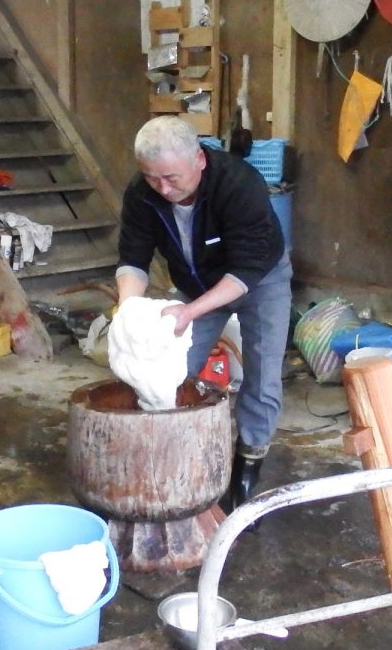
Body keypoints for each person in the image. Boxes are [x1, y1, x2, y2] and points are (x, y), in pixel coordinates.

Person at [115, 115, 291, 509]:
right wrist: (128, 310)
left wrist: (190, 311)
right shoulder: (141, 194)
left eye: (171, 178)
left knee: (262, 377)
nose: (163, 189)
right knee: (171, 368)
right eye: (152, 178)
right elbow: (133, 258)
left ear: (199, 159)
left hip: (261, 279)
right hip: (197, 283)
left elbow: (247, 268)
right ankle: (174, 458)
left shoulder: (239, 184)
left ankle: (247, 469)